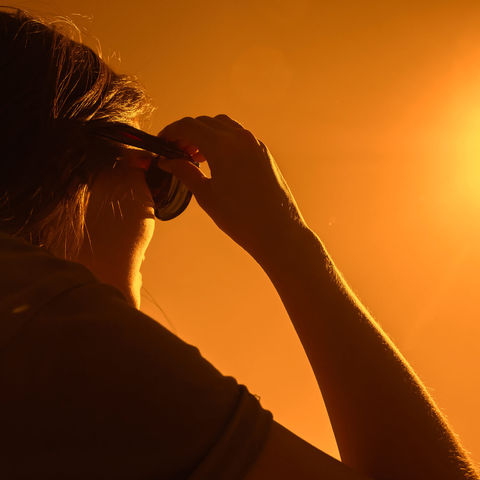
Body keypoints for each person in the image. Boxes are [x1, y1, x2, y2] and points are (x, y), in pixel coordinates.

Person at [0, 6, 478, 480]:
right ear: (71, 161)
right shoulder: (75, 343)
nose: (153, 214)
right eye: (159, 175)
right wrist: (289, 244)